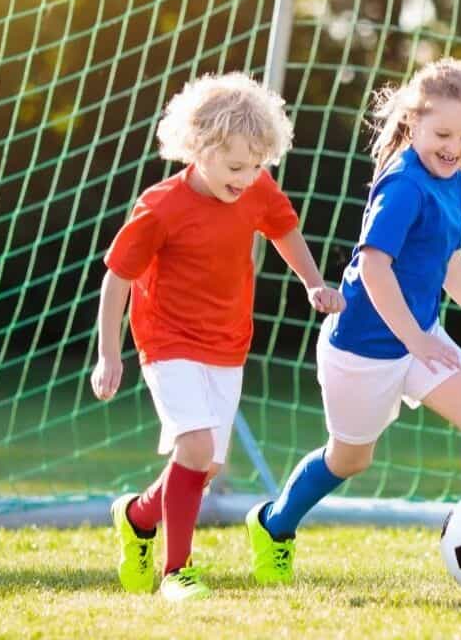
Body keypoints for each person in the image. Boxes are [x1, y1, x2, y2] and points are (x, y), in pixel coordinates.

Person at [243, 57, 461, 586]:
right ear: (413, 122)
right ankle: (274, 525)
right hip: (364, 350)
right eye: (442, 133)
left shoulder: (455, 181)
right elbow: (374, 266)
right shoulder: (403, 184)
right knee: (349, 460)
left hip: (418, 338)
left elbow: (449, 260)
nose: (454, 147)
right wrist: (414, 338)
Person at [90, 72, 345, 602]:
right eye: (235, 166)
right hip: (166, 340)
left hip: (228, 343)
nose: (248, 177)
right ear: (199, 148)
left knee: (206, 464)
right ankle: (176, 573)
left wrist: (314, 282)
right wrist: (108, 356)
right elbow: (117, 278)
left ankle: (138, 517)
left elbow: (283, 229)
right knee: (196, 445)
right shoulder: (160, 208)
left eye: (257, 165)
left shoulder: (257, 188)